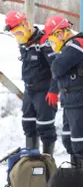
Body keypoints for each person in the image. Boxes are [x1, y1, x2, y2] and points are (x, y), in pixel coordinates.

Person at [43, 15, 83, 186]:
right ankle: (76, 181)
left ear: (60, 33)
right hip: (71, 100)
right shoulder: (69, 47)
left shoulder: (77, 44)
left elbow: (57, 68)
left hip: (82, 101)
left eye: (52, 39)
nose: (52, 44)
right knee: (70, 142)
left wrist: (55, 56)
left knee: (82, 145)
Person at [4, 10, 58, 155]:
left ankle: (47, 163)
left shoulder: (44, 43)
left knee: (45, 127)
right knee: (28, 125)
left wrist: (54, 90)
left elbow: (56, 68)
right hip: (29, 90)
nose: (18, 37)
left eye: (20, 33)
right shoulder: (24, 44)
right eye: (15, 35)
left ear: (26, 25)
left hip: (44, 92)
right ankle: (32, 164)